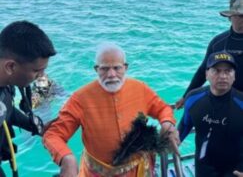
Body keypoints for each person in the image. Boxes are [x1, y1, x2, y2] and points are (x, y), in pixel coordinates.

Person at [43, 43, 179, 177]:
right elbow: (53, 135)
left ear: (125, 68)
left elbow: (163, 108)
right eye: (104, 69)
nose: (111, 74)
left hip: (139, 170)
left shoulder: (140, 88)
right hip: (97, 173)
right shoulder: (80, 98)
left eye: (117, 68)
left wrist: (167, 123)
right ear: (96, 69)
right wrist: (67, 159)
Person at [0, 20, 56, 176]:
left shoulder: (5, 82)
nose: (41, 76)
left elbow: (7, 109)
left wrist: (38, 127)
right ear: (10, 66)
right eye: (37, 71)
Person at [178, 51, 243, 177]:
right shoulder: (193, 98)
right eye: (217, 71)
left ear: (234, 76)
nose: (223, 76)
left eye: (228, 71)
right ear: (207, 74)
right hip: (204, 166)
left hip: (236, 168)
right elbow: (184, 126)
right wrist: (168, 143)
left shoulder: (241, 102)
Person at [176, 0, 243, 109]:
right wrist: (186, 96)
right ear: (230, 16)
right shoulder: (218, 43)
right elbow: (203, 71)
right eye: (240, 16)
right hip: (226, 102)